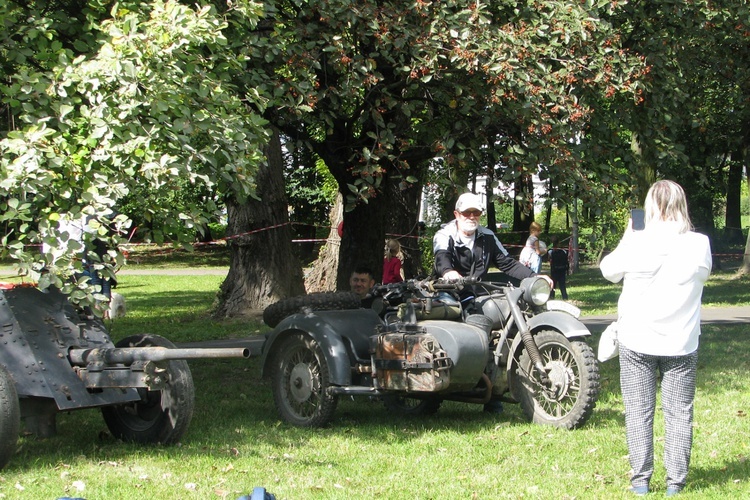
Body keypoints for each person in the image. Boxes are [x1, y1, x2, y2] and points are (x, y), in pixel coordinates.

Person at [600, 180, 712, 497]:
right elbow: (703, 275)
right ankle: (676, 483)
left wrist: (629, 234)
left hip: (638, 340)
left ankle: (640, 481)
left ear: (649, 207)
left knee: (639, 413)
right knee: (679, 414)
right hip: (682, 343)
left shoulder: (637, 242)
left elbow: (608, 270)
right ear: (681, 205)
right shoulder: (699, 243)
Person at [433, 192, 552, 414]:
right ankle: (473, 383)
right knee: (474, 329)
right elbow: (441, 259)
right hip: (449, 293)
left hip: (477, 293)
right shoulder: (445, 234)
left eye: (475, 212)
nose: (471, 216)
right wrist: (449, 272)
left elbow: (507, 263)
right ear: (456, 214)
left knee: (508, 323)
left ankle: (496, 389)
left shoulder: (487, 237)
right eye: (466, 212)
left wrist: (534, 277)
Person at [547, 235, 569, 300]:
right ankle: (565, 297)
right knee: (562, 285)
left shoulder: (550, 251)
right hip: (562, 270)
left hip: (554, 270)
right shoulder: (564, 251)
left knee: (553, 284)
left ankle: (552, 297)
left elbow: (549, 258)